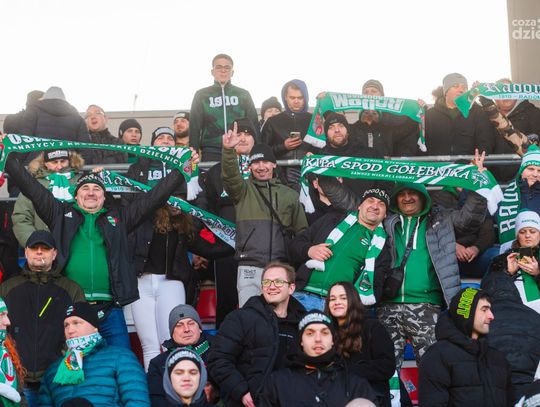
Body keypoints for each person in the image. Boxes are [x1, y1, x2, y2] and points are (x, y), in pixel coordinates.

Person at [5, 145, 192, 350]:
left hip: (110, 309)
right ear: (75, 195)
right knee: (73, 362)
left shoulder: (119, 219)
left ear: (104, 197)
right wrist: (7, 157)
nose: (91, 193)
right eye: (85, 188)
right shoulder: (60, 215)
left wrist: (181, 170)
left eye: (97, 189)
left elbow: (153, 198)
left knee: (122, 357)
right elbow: (30, 186)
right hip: (71, 307)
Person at [222, 124, 308, 306]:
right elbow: (230, 177)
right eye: (256, 162)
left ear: (274, 164)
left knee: (278, 316)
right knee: (250, 316)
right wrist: (229, 151)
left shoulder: (290, 195)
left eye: (266, 162)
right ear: (250, 166)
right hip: (249, 267)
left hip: (280, 268)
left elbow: (302, 234)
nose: (261, 167)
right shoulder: (243, 190)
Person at [0, 230, 85, 407]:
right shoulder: (7, 288)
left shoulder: (72, 289)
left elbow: (81, 334)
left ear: (54, 254)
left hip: (57, 382)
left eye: (45, 248)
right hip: (19, 383)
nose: (39, 252)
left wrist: (60, 365)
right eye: (34, 248)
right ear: (26, 252)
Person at [207, 262, 306, 407]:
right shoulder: (240, 318)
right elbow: (217, 359)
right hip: (252, 402)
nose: (272, 286)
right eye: (266, 282)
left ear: (291, 288)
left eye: (278, 282)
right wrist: (241, 392)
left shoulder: (304, 323)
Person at [196, 118, 256, 325]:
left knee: (259, 301)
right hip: (225, 247)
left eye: (248, 134)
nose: (243, 138)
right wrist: (208, 242)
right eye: (238, 134)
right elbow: (205, 207)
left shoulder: (264, 168)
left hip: (258, 247)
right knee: (226, 302)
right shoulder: (216, 171)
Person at [289, 188, 391, 310]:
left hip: (337, 306)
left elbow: (375, 286)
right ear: (359, 206)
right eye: (370, 200)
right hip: (301, 295)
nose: (375, 206)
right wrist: (309, 250)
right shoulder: (331, 220)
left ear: (385, 214)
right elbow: (294, 245)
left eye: (381, 204)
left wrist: (353, 309)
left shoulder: (381, 247)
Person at [39, 302, 150, 406]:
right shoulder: (52, 371)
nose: (70, 330)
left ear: (94, 328)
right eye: (66, 325)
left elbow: (138, 402)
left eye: (76, 323)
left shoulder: (121, 357)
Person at [259, 310, 378, 406]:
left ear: (332, 340)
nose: (318, 339)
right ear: (301, 341)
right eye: (310, 333)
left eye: (324, 333)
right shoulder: (278, 382)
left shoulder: (355, 384)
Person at [418, 287, 513, 406]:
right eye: (484, 310)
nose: (491, 316)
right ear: (466, 314)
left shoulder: (498, 359)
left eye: (490, 309)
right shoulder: (437, 356)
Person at [482, 211, 540, 400]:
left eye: (532, 231)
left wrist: (538, 273)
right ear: (517, 235)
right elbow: (486, 291)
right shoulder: (501, 260)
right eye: (523, 232)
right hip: (512, 326)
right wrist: (506, 273)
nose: (528, 235)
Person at [325, 282, 396, 407]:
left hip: (369, 398)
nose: (337, 302)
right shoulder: (325, 332)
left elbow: (387, 366)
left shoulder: (373, 327)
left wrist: (348, 371)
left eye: (343, 298)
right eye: (332, 299)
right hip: (335, 398)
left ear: (353, 300)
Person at [189, 54, 258, 161]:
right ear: (212, 72)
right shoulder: (201, 95)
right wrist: (192, 155)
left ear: (232, 72)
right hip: (211, 149)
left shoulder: (243, 94)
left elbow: (254, 124)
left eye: (227, 67)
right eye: (219, 67)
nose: (223, 70)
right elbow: (195, 127)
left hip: (239, 147)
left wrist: (257, 152)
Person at [11, 149, 84, 248]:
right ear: (45, 163)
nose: (59, 166)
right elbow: (21, 217)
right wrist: (34, 243)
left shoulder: (83, 182)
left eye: (63, 161)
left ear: (70, 161)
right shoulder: (34, 184)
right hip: (43, 248)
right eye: (54, 162)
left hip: (78, 246)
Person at [148, 305, 215, 407]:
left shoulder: (218, 351)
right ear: (172, 333)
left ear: (200, 328)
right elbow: (157, 400)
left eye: (191, 323)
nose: (186, 329)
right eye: (179, 325)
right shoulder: (158, 363)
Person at [17, 86, 93, 164]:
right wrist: (84, 167)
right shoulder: (78, 118)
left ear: (45, 97)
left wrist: (20, 162)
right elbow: (86, 149)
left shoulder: (33, 111)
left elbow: (24, 139)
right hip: (66, 164)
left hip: (37, 163)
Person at [425, 73, 495, 155]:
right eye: (455, 86)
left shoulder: (477, 112)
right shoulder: (429, 115)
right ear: (446, 91)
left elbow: (485, 140)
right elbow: (422, 144)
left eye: (464, 87)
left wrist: (478, 159)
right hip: (438, 163)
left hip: (470, 162)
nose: (461, 90)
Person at [262, 79, 314, 187]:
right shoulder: (272, 122)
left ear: (306, 97)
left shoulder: (314, 121)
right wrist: (283, 146)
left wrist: (314, 154)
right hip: (280, 178)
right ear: (285, 97)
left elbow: (326, 147)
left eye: (300, 97)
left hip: (310, 176)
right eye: (292, 97)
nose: (296, 101)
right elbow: (262, 151)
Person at [350, 79, 421, 157]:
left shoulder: (391, 125)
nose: (369, 94)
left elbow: (411, 127)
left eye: (374, 91)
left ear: (382, 96)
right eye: (365, 92)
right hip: (360, 165)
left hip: (385, 164)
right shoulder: (354, 128)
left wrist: (419, 108)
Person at [493, 78, 540, 182]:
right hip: (494, 175)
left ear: (516, 93)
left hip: (525, 176)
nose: (506, 96)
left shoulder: (534, 113)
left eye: (509, 91)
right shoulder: (486, 116)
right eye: (501, 92)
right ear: (494, 98)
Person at [0, 297, 25, 406]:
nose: (8, 322)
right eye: (1, 315)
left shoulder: (7, 347)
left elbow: (20, 395)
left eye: (6, 315)